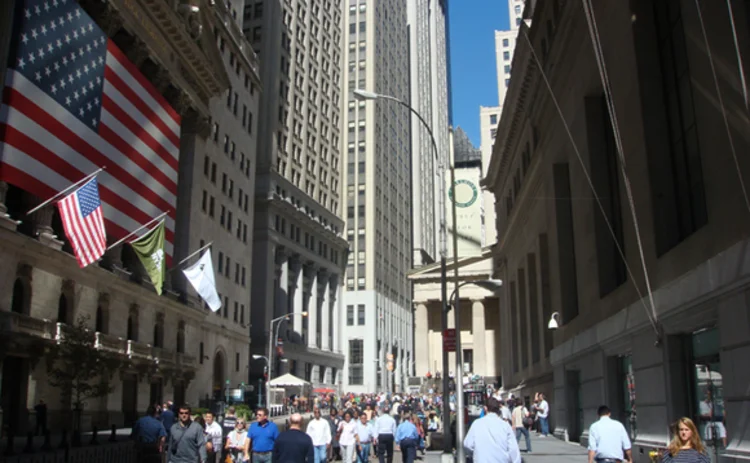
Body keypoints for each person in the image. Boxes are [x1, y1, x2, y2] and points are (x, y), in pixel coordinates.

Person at [463, 398, 521, 463]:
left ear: (485, 408)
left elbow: (467, 444)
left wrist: (475, 453)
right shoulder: (505, 426)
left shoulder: (477, 424)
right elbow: (513, 450)